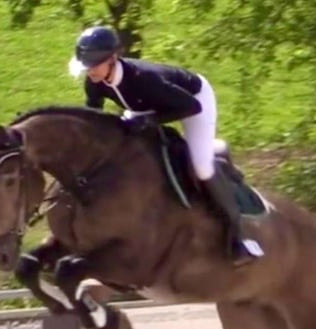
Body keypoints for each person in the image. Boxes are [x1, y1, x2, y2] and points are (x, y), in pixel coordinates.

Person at [68, 26, 264, 264]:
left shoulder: (143, 79)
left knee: (201, 166)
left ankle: (237, 237)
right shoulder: (95, 81)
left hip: (192, 99)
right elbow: (94, 116)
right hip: (147, 105)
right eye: (86, 66)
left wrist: (149, 120)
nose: (90, 72)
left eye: (94, 65)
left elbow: (190, 106)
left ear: (112, 58)